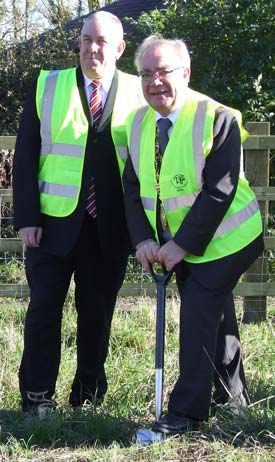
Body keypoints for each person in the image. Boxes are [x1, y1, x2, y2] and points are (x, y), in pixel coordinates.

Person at [123, 36, 264, 435]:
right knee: (216, 316)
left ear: (185, 73)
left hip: (230, 238)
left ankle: (184, 415)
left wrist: (180, 245)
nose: (154, 82)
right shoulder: (137, 123)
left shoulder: (216, 117)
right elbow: (132, 189)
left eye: (163, 71)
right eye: (146, 73)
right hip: (178, 243)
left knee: (199, 310)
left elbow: (219, 190)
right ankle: (233, 398)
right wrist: (143, 241)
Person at [12, 11, 144, 417]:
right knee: (43, 314)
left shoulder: (142, 92)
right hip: (51, 226)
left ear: (120, 48)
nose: (92, 48)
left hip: (109, 229)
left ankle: (87, 397)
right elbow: (26, 156)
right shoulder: (47, 85)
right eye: (86, 40)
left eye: (102, 41)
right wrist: (26, 218)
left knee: (97, 316)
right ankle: (37, 399)